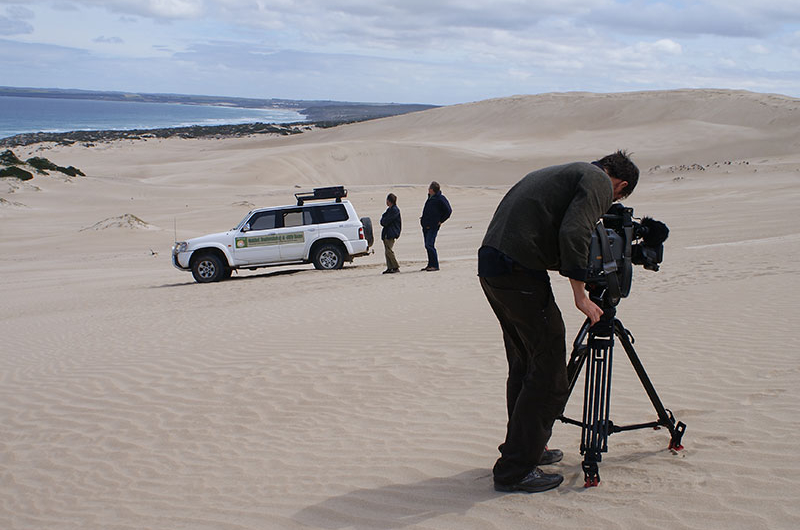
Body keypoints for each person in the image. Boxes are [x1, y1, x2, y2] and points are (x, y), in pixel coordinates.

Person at [478, 150, 639, 493]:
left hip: (495, 266)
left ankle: (525, 450)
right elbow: (574, 231)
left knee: (526, 363)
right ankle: (515, 470)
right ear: (620, 185)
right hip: (517, 271)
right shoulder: (596, 180)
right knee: (551, 373)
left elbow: (545, 230)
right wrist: (581, 294)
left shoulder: (563, 172)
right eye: (616, 198)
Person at [419, 181, 452, 271]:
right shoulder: (430, 198)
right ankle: (430, 264)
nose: (428, 189)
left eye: (429, 188)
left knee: (429, 244)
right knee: (427, 245)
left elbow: (448, 211)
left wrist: (441, 220)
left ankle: (435, 265)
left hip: (433, 226)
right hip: (426, 225)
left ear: (432, 190)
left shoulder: (440, 198)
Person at [380, 193, 402, 274]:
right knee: (387, 251)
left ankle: (395, 267)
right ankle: (390, 267)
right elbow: (383, 220)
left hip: (391, 233)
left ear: (389, 201)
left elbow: (386, 221)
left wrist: (384, 221)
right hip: (387, 233)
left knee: (389, 251)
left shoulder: (394, 210)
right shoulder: (390, 210)